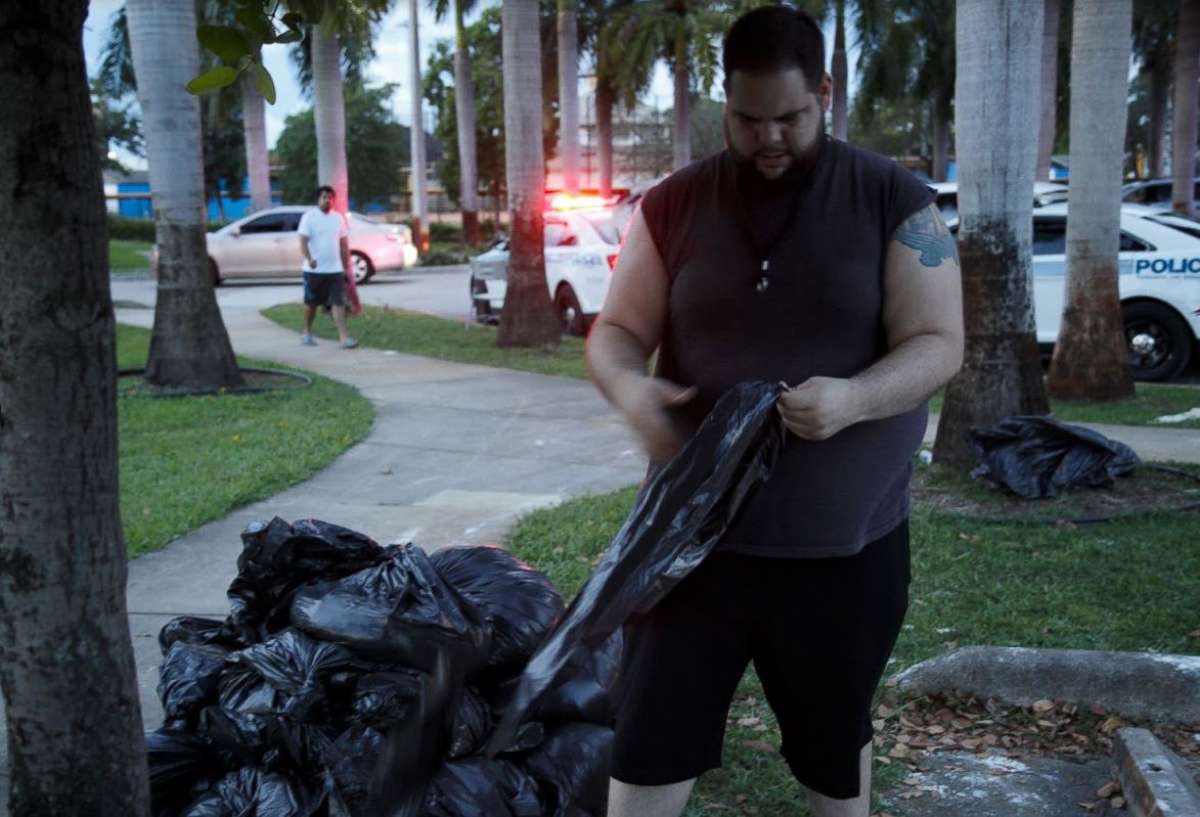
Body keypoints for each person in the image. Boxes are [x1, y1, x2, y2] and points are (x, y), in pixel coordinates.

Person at [585, 7, 964, 817]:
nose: (768, 138)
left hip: (843, 548)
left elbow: (939, 342)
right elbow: (616, 330)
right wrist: (628, 387)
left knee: (832, 754)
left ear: (824, 93)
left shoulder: (896, 201)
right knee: (647, 743)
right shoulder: (672, 204)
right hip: (690, 545)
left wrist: (856, 397)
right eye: (747, 118)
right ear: (725, 100)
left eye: (790, 117)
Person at [298, 185, 358, 349]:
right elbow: (302, 242)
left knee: (337, 302)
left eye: (330, 197)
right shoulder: (309, 217)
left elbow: (344, 245)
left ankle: (344, 338)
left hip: (335, 270)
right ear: (318, 199)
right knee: (311, 303)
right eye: (324, 197)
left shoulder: (338, 218)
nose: (327, 200)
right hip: (313, 270)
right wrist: (309, 259)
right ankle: (306, 333)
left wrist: (345, 267)